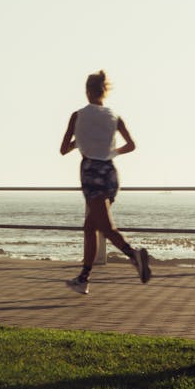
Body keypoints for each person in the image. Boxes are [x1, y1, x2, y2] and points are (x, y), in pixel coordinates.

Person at [60, 70, 150, 294]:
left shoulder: (77, 115)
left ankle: (134, 255)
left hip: (91, 172)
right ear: (104, 92)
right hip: (110, 173)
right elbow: (131, 145)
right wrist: (111, 151)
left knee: (105, 227)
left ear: (87, 91)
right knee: (90, 226)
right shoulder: (114, 116)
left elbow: (63, 149)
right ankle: (83, 278)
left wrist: (78, 143)